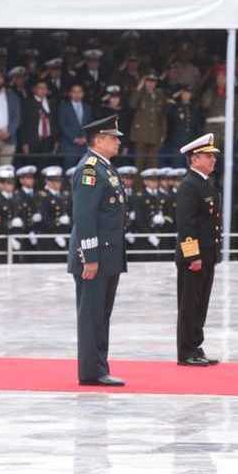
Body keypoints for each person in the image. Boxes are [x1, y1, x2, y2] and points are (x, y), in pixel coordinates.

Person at [67, 114, 127, 387]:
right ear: (99, 140)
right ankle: (91, 371)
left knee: (102, 314)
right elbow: (85, 218)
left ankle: (99, 367)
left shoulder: (105, 167)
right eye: (113, 138)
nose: (117, 142)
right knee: (92, 315)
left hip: (108, 255)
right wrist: (89, 258)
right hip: (95, 256)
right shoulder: (90, 170)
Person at [174, 133, 222, 366]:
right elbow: (186, 225)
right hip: (194, 256)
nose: (213, 160)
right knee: (189, 304)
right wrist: (193, 255)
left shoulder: (204, 183)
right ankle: (186, 351)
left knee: (201, 304)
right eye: (208, 156)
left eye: (213, 156)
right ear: (194, 159)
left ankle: (196, 345)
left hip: (207, 254)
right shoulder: (189, 186)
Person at [129, 72, 167, 170]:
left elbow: (162, 116)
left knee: (153, 164)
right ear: (145, 82)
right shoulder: (140, 93)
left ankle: (151, 185)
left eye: (153, 81)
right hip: (141, 134)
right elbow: (132, 104)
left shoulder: (159, 95)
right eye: (148, 81)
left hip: (155, 134)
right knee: (139, 163)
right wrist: (139, 87)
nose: (150, 84)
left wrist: (163, 133)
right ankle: (138, 186)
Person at [21, 80, 56, 168]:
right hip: (32, 141)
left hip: (48, 141)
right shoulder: (27, 103)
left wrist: (56, 141)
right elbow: (23, 125)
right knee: (31, 168)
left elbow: (55, 123)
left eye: (45, 88)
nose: (43, 90)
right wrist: (24, 143)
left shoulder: (51, 103)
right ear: (34, 89)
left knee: (45, 167)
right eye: (40, 88)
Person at [57, 83, 92, 169]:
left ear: (83, 94)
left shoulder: (87, 107)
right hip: (69, 145)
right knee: (69, 170)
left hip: (85, 145)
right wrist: (74, 138)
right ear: (70, 93)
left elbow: (90, 124)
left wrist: (85, 137)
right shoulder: (63, 107)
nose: (77, 94)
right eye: (74, 92)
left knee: (85, 171)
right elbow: (62, 125)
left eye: (79, 92)